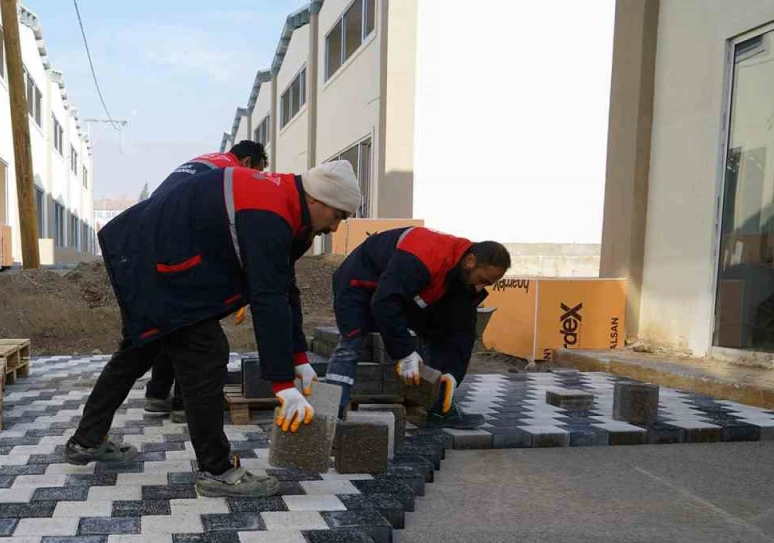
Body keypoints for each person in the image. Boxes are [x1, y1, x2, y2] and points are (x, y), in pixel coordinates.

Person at [66, 160, 361, 499]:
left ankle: (85, 441)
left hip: (156, 257)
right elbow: (268, 298)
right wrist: (282, 383)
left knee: (140, 348)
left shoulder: (290, 210)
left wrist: (298, 358)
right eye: (338, 216)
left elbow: (284, 288)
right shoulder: (270, 213)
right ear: (318, 200)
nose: (336, 228)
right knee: (206, 354)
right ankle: (218, 471)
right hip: (155, 260)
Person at [322, 227, 511, 428]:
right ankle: (332, 417)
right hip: (358, 282)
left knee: (439, 331)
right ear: (470, 261)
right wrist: (405, 353)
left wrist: (453, 374)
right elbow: (385, 303)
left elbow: (462, 333)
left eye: (488, 284)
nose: (481, 287)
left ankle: (439, 410)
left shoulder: (462, 279)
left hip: (398, 288)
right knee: (352, 341)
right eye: (482, 279)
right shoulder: (425, 253)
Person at [144, 140, 270, 420]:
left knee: (173, 325)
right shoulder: (232, 173)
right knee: (197, 329)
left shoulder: (208, 161)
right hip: (178, 249)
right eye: (259, 170)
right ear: (248, 162)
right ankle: (183, 404)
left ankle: (156, 395)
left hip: (151, 242)